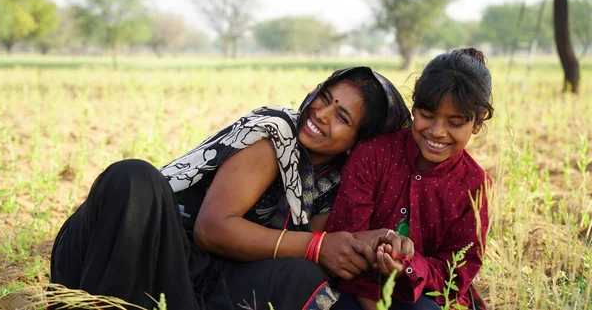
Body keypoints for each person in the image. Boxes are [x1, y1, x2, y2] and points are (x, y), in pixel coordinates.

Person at [49, 67, 412, 310]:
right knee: (133, 178)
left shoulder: (334, 180)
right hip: (145, 250)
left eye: (343, 117)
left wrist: (372, 244)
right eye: (325, 97)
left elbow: (313, 250)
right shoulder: (276, 133)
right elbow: (211, 230)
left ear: (357, 142)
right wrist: (318, 246)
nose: (321, 113)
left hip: (200, 281)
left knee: (302, 275)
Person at [326, 48, 493, 310]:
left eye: (455, 122)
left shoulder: (475, 186)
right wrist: (379, 249)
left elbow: (454, 276)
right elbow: (344, 240)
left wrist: (407, 266)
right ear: (414, 106)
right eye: (427, 115)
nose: (437, 131)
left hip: (422, 296)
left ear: (477, 123)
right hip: (355, 289)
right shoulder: (373, 154)